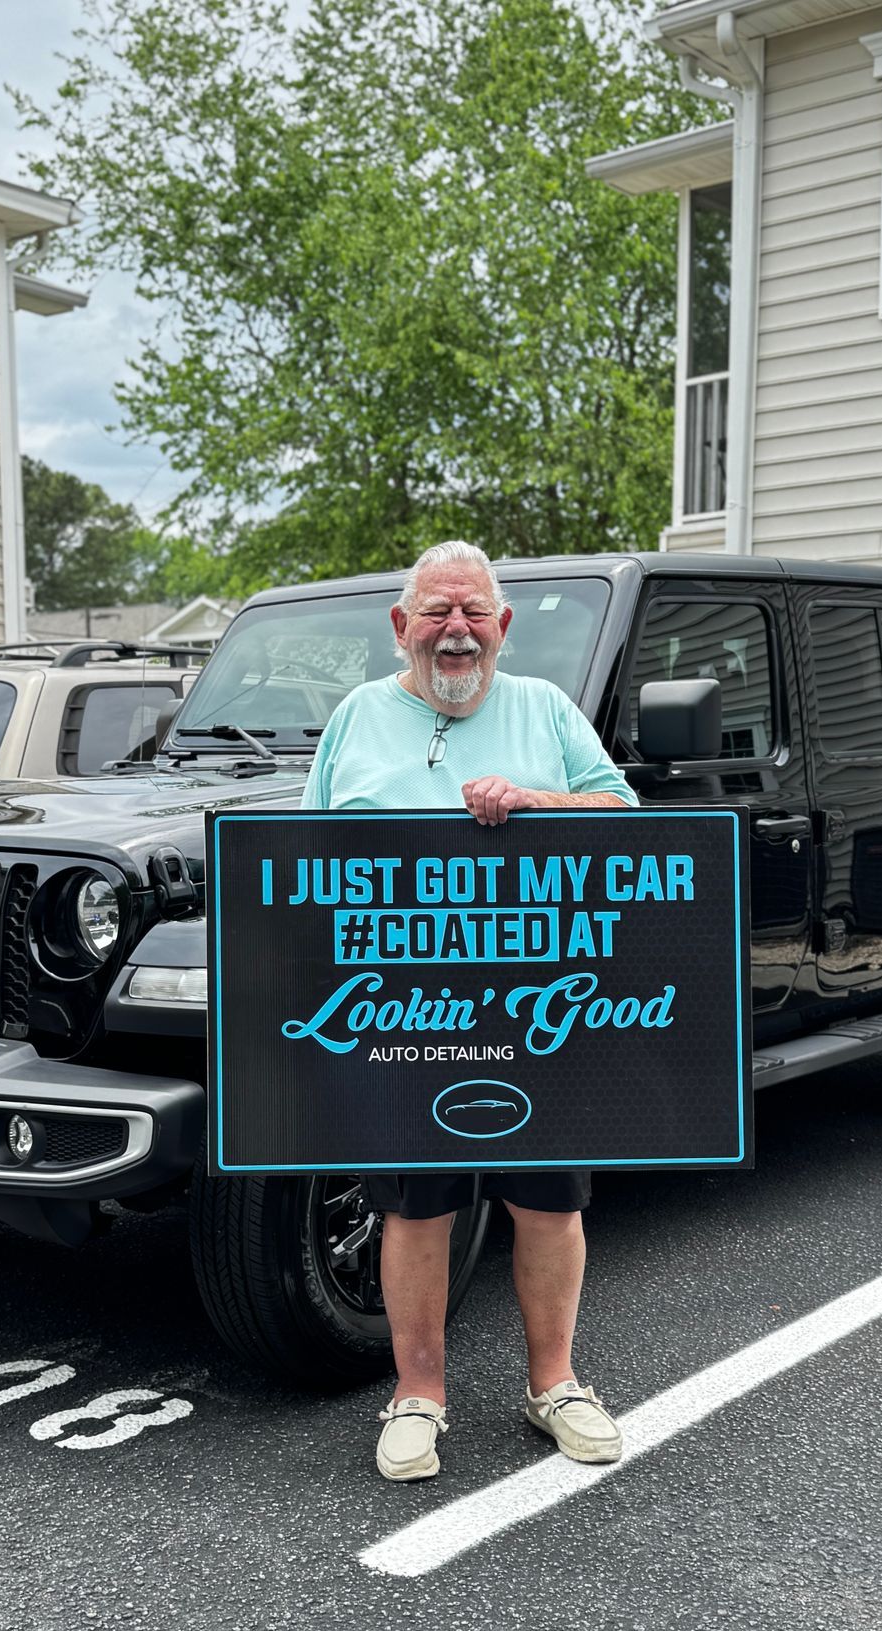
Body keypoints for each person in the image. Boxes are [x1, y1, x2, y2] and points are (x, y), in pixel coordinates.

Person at [297, 540, 638, 1482]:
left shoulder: (544, 710)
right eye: (437, 614)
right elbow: (298, 863)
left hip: (538, 1008)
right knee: (416, 1208)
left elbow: (629, 816)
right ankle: (418, 1397)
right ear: (401, 628)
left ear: (503, 628)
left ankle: (555, 1385)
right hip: (402, 1011)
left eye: (473, 614)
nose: (456, 631)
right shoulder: (356, 720)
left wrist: (530, 802)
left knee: (547, 1200)